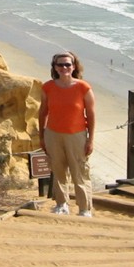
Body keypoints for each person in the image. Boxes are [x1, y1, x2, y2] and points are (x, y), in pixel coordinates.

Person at [38, 51, 96, 216]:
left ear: (74, 66)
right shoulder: (48, 87)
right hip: (53, 134)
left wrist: (90, 140)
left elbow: (91, 115)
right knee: (58, 170)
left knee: (79, 171)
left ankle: (84, 208)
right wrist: (41, 135)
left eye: (67, 64)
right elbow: (43, 112)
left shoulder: (83, 87)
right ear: (54, 67)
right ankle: (61, 204)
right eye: (60, 65)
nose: (64, 68)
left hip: (76, 135)